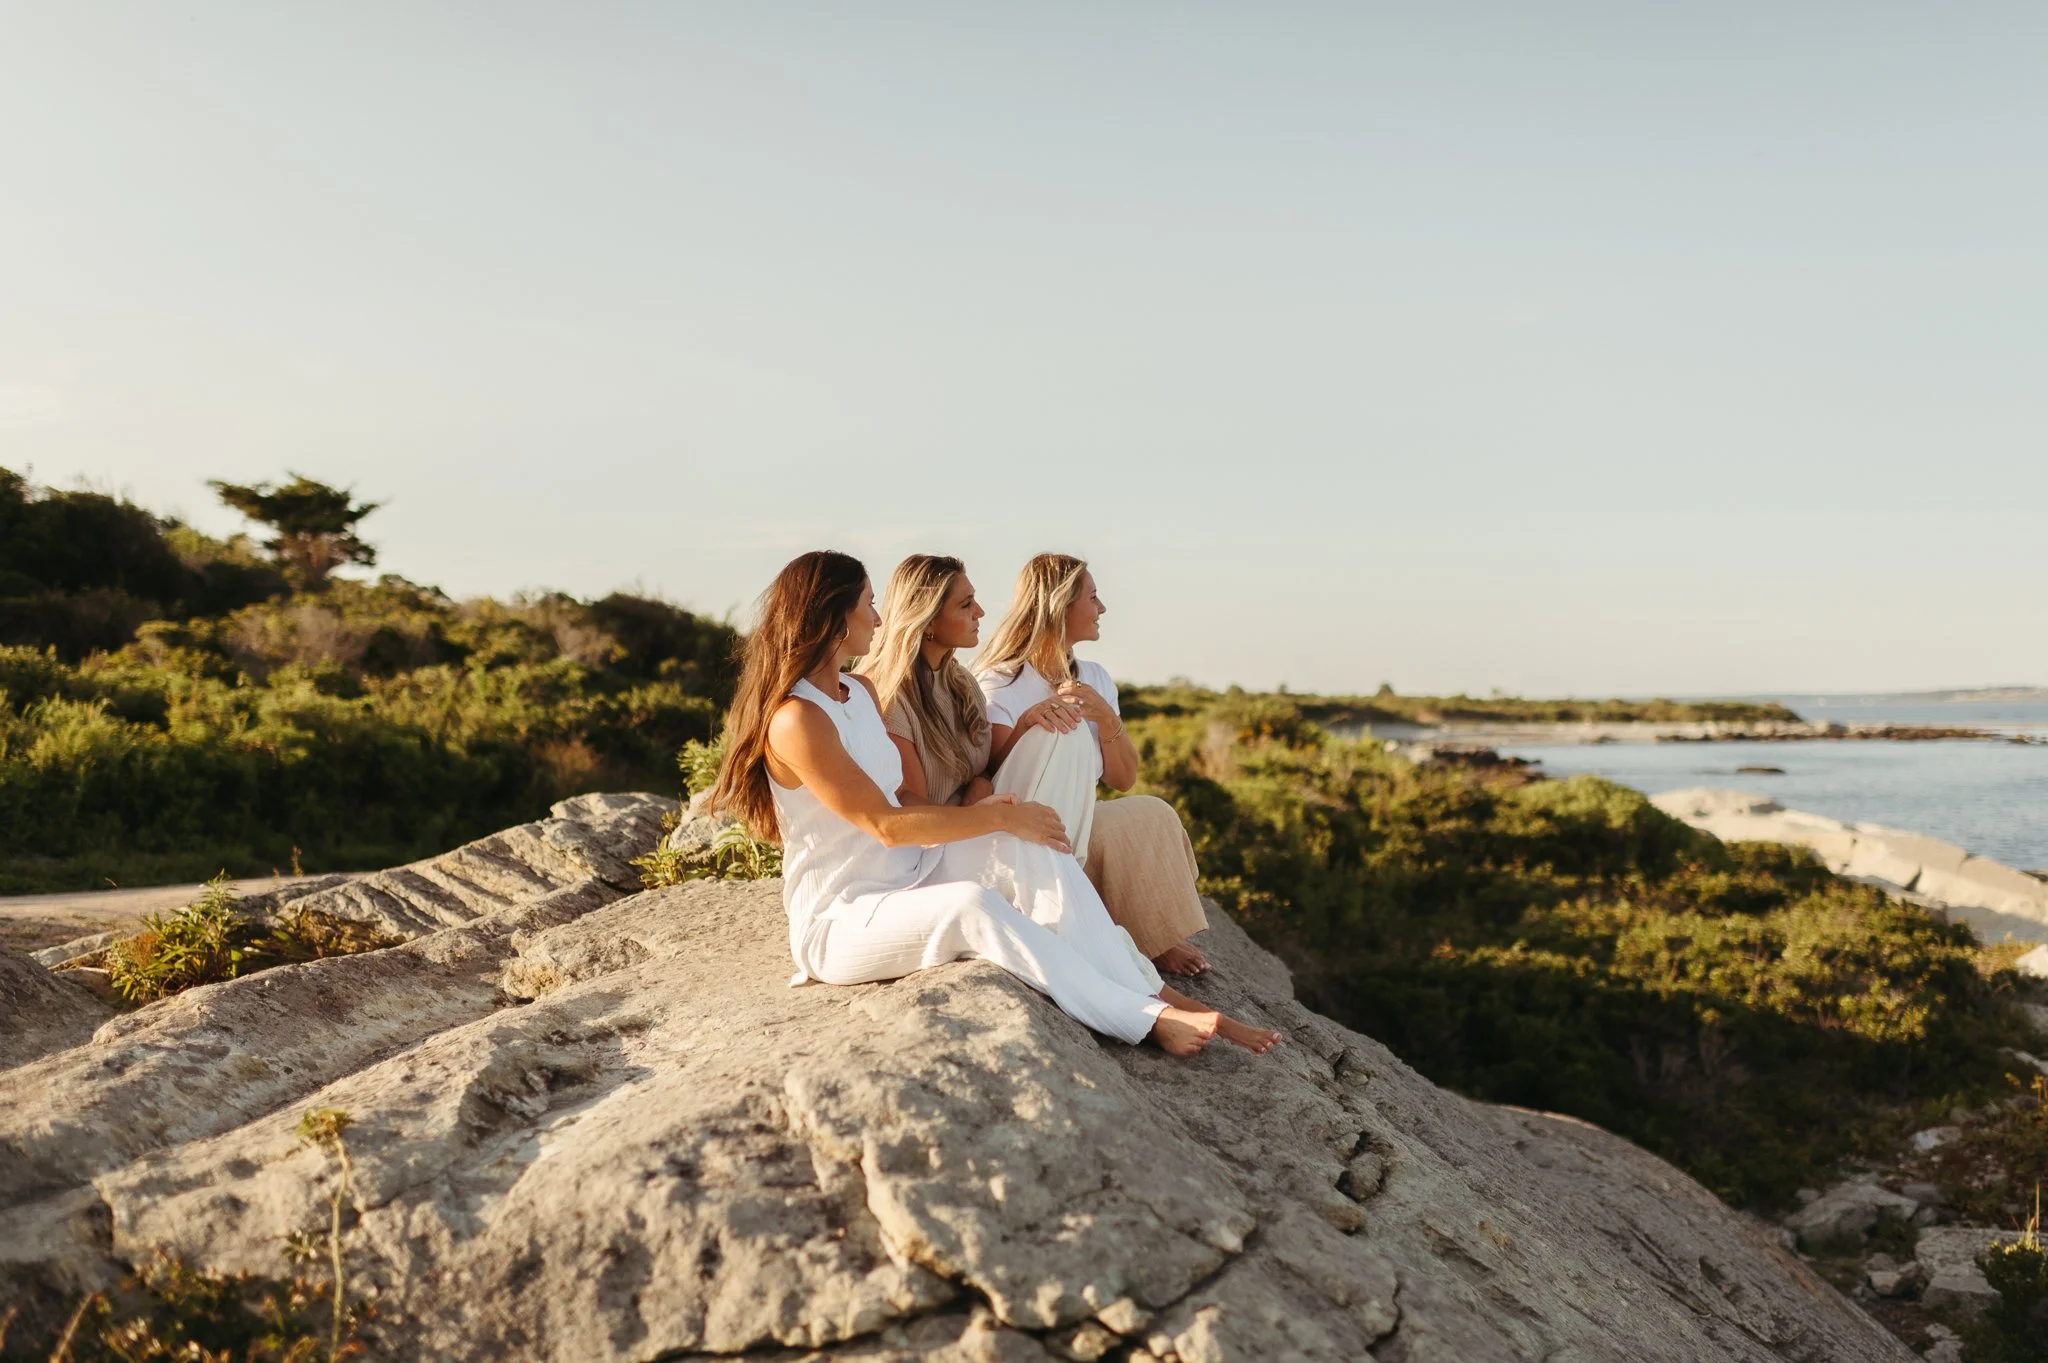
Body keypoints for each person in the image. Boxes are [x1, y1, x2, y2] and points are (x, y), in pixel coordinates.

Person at [708, 550, 1280, 1056]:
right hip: (845, 918)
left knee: (1031, 845)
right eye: (868, 605)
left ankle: (1155, 989)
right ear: (832, 618)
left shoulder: (856, 692)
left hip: (913, 873)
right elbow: (885, 822)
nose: (879, 619)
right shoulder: (797, 719)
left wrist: (1004, 821)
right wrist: (995, 813)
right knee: (972, 905)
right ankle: (1147, 1018)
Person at [976, 553, 1214, 976]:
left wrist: (1107, 719)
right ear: (1060, 606)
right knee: (1057, 729)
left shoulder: (1096, 677)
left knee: (1151, 813)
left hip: (1077, 819)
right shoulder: (1001, 679)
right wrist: (1031, 721)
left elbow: (1123, 779)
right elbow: (991, 772)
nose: (1102, 609)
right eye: (1093, 597)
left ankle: (1151, 940)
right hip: (1022, 825)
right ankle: (1103, 934)